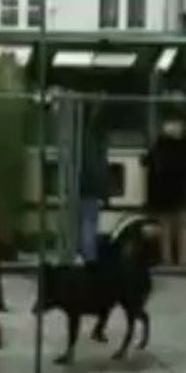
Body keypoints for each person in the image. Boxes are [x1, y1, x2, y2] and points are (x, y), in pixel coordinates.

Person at [143, 117, 186, 267]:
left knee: (169, 228)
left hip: (167, 190)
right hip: (179, 191)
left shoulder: (162, 144)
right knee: (180, 227)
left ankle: (169, 260)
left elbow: (147, 161)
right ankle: (181, 261)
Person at [77, 98, 111, 264]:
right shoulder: (95, 138)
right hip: (90, 185)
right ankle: (89, 258)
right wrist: (104, 190)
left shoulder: (80, 134)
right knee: (89, 223)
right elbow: (97, 165)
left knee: (84, 222)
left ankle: (84, 255)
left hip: (81, 183)